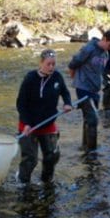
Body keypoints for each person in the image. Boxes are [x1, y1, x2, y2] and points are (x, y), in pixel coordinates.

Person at [16, 49, 73, 183]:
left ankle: (46, 181)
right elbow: (21, 104)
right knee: (31, 160)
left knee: (52, 156)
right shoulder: (30, 78)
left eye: (53, 64)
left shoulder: (57, 77)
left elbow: (65, 92)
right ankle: (22, 182)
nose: (51, 67)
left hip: (48, 124)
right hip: (28, 125)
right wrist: (26, 123)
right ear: (41, 63)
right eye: (48, 64)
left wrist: (67, 103)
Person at [67, 30, 110, 150]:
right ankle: (92, 152)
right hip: (83, 88)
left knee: (88, 120)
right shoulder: (89, 48)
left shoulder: (105, 54)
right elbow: (73, 63)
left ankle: (85, 147)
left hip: (95, 89)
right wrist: (75, 78)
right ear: (104, 39)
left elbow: (102, 70)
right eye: (109, 45)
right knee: (93, 119)